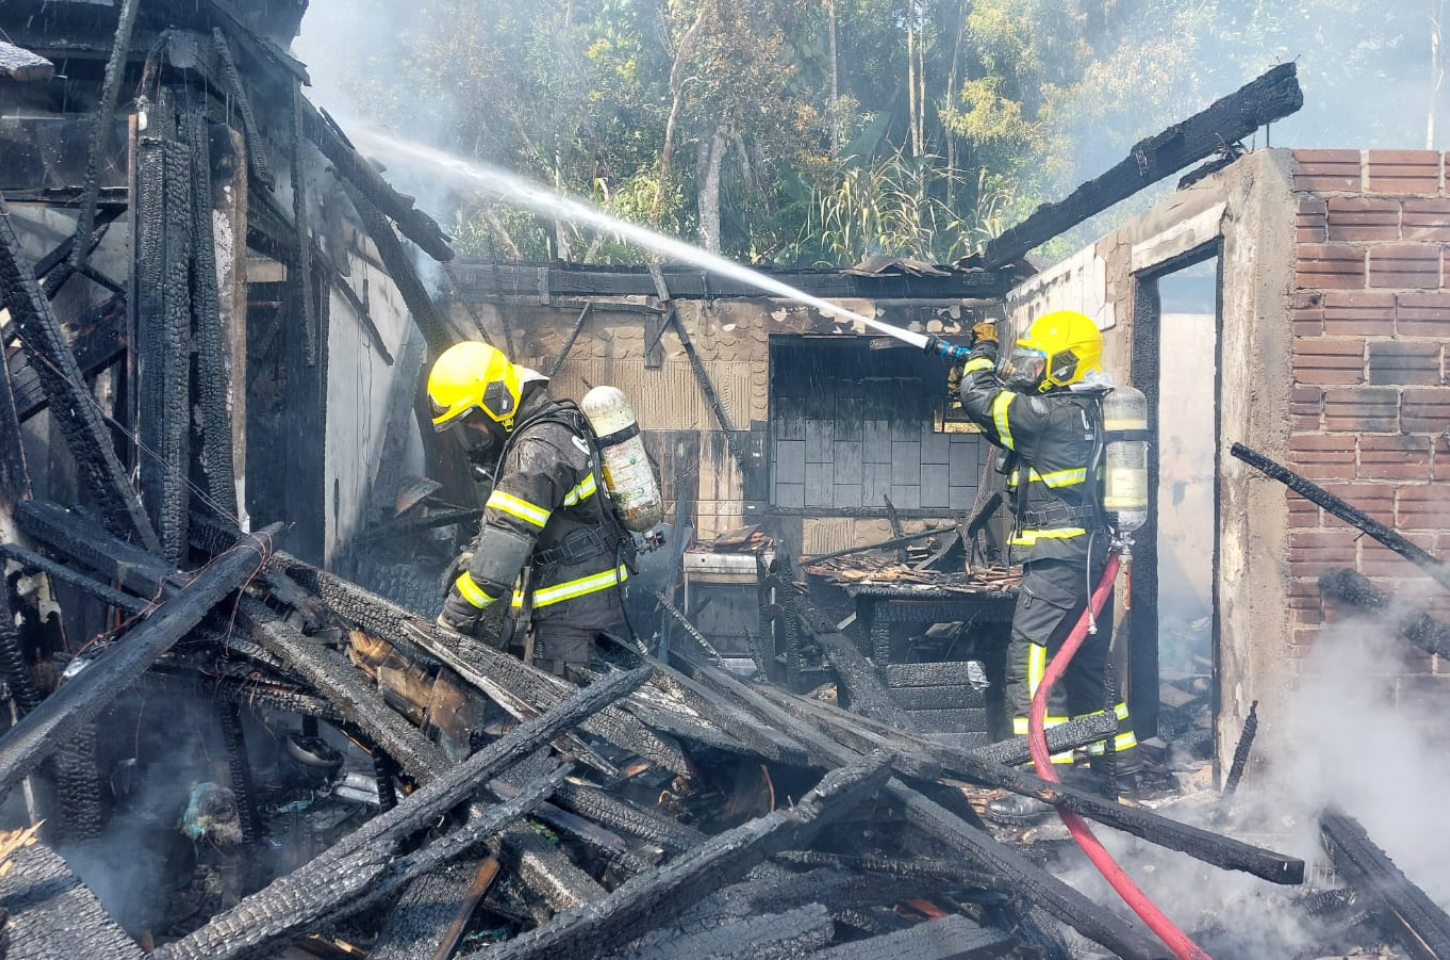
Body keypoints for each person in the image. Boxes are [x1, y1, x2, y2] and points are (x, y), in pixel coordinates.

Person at [955, 310, 1139, 822]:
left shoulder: (1046, 417)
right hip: (1091, 561)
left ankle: (1040, 785)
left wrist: (980, 353)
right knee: (1088, 667)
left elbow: (979, 400)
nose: (1029, 369)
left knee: (1030, 662)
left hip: (1058, 562)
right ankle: (1116, 776)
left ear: (1065, 363)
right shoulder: (1088, 410)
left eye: (1038, 361)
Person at [428, 341, 632, 678]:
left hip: (570, 619)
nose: (473, 435)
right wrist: (474, 556)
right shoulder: (549, 429)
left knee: (561, 705)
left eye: (471, 421)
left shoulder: (536, 451)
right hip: (588, 607)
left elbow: (506, 543)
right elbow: (510, 524)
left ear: (497, 402)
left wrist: (452, 617)